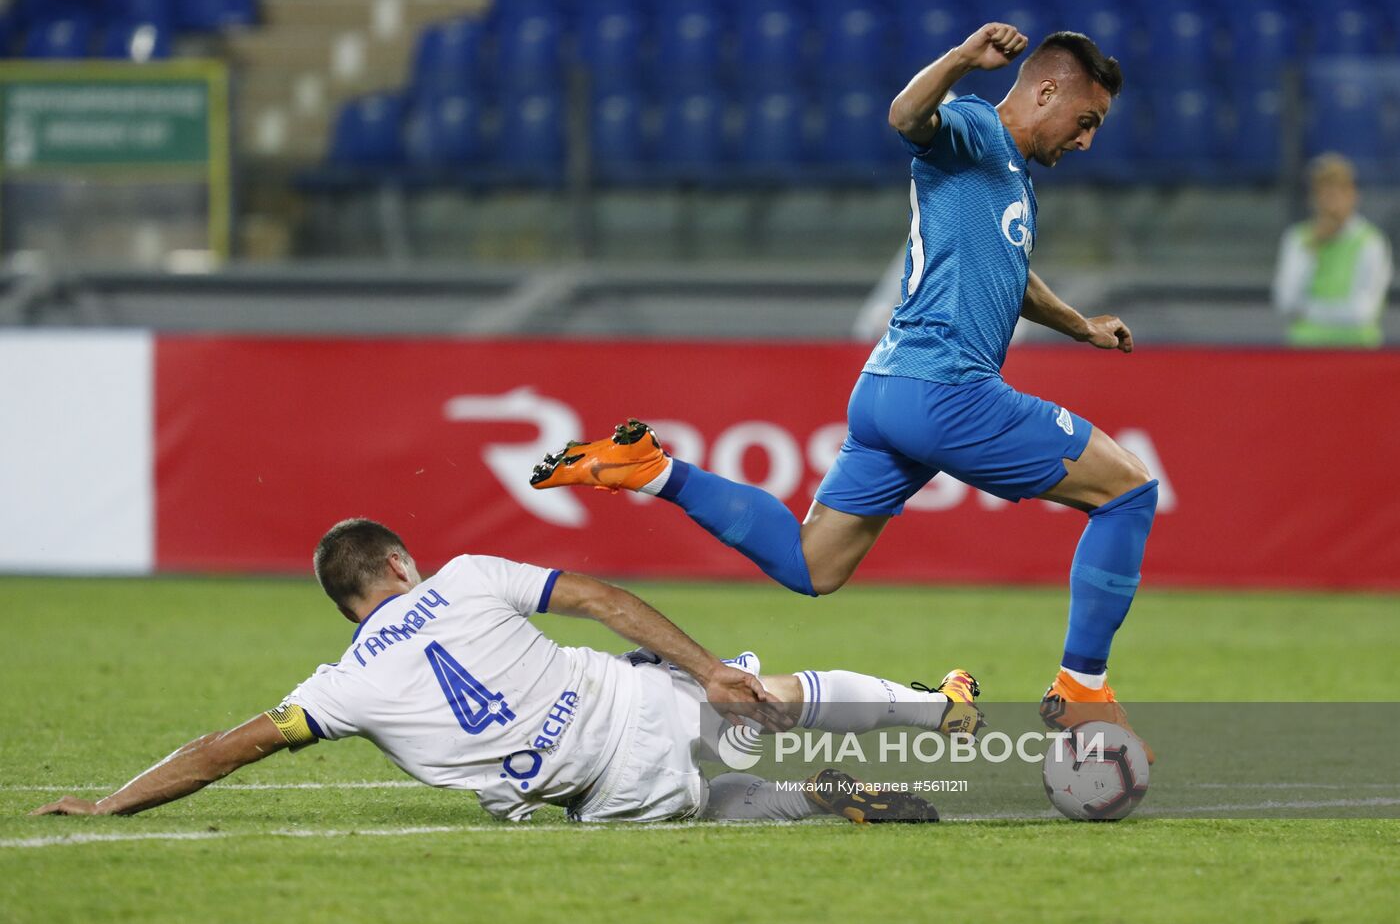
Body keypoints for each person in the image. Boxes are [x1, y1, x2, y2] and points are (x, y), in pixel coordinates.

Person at [531, 24, 1157, 759]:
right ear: (1046, 90)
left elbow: (1014, 278)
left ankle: (652, 469)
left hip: (886, 389)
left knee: (811, 565)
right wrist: (959, 59)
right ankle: (1083, 684)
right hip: (947, 390)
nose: (1087, 142)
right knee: (1128, 492)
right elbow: (904, 118)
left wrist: (1079, 324)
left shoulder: (1009, 174)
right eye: (1087, 122)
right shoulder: (975, 130)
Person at [32, 518, 982, 824]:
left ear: (347, 605)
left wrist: (110, 804)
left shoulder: (334, 690)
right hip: (639, 699)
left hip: (603, 794)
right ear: (399, 562)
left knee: (708, 804)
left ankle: (813, 799)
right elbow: (606, 596)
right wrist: (706, 668)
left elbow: (224, 749)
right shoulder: (470, 575)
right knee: (761, 695)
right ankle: (932, 708)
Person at [1273, 153, 1392, 348]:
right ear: (1313, 199)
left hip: (1357, 349)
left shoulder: (1371, 242)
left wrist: (1309, 311)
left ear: (1353, 195)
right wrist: (1312, 250)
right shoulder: (1298, 239)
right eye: (1323, 194)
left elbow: (1363, 311)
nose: (1330, 203)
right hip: (1305, 349)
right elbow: (1286, 302)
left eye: (1337, 193)